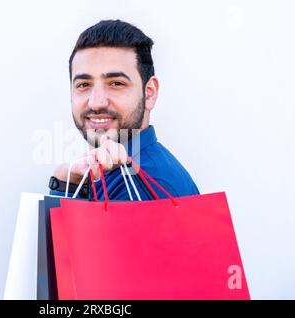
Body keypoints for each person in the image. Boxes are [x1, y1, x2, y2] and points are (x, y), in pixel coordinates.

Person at [48, 19, 199, 200]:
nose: (96, 103)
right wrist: (66, 182)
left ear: (149, 93)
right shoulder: (121, 171)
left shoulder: (138, 187)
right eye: (84, 84)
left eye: (116, 83)